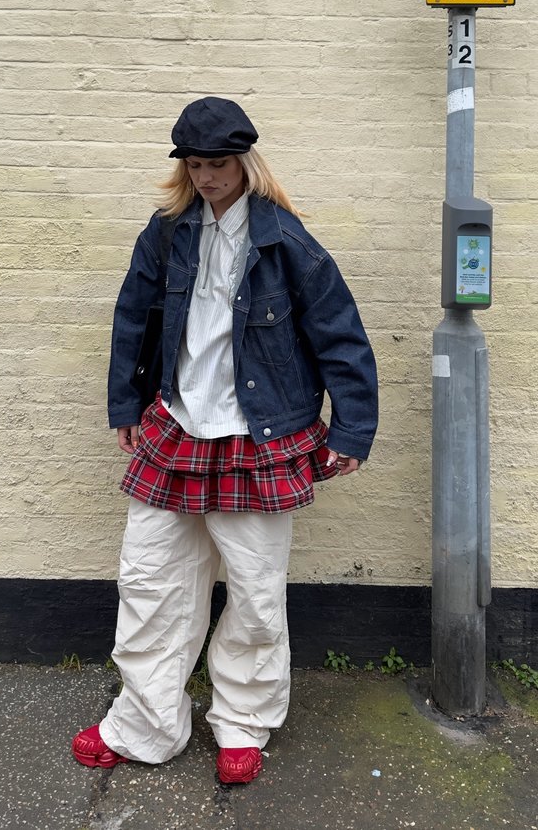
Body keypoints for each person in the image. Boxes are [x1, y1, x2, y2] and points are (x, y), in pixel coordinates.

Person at [71, 97, 378, 784]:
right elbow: (132, 317)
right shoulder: (165, 233)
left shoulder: (286, 241)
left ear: (245, 163)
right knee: (150, 579)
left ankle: (243, 724)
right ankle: (145, 723)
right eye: (197, 165)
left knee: (256, 591)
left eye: (219, 164)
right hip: (177, 428)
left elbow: (340, 335)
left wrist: (352, 428)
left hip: (257, 436)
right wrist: (126, 400)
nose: (208, 177)